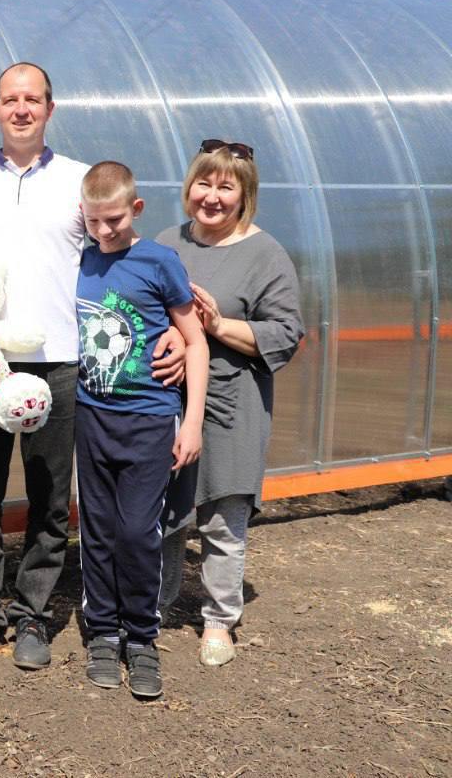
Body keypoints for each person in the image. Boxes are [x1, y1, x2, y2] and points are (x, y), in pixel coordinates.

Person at [0, 62, 187, 676]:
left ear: (51, 108)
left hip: (62, 362)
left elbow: (127, 258)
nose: (21, 109)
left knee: (51, 497)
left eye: (33, 99)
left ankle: (33, 615)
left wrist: (178, 329)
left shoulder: (79, 181)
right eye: (9, 99)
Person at [157, 140, 304, 667]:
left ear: (245, 196)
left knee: (223, 518)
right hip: (168, 400)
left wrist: (217, 326)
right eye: (204, 183)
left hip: (233, 402)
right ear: (189, 186)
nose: (212, 197)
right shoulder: (167, 242)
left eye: (226, 187)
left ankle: (219, 619)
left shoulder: (265, 254)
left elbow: (286, 333)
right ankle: (156, 606)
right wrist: (167, 340)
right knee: (167, 513)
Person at [74, 161, 209, 699]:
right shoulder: (81, 260)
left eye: (113, 220)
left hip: (151, 419)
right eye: (93, 220)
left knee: (138, 532)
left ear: (135, 209)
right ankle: (104, 633)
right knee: (98, 530)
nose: (104, 231)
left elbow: (194, 340)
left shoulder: (159, 261)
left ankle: (142, 637)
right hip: (92, 416)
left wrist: (192, 421)